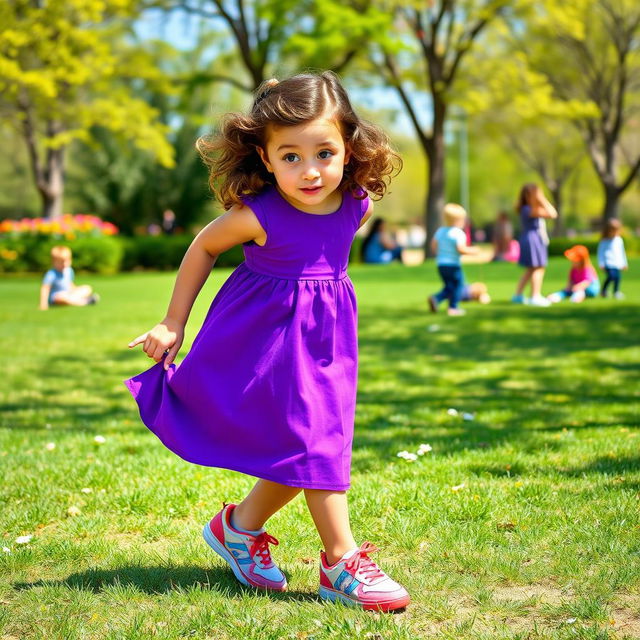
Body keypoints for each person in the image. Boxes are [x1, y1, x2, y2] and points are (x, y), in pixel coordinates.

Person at [125, 72, 410, 611]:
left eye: (324, 153)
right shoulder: (259, 213)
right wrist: (172, 323)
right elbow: (202, 249)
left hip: (328, 344)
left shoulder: (356, 203)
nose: (309, 171)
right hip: (267, 342)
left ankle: (238, 527)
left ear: (348, 148)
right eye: (290, 157)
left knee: (305, 448)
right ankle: (340, 562)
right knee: (315, 444)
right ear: (265, 154)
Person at [427, 203, 479, 316]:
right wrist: (473, 251)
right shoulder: (458, 233)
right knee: (459, 285)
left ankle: (436, 299)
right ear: (458, 220)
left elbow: (433, 245)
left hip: (441, 264)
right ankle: (452, 307)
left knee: (450, 286)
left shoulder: (440, 231)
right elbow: (461, 249)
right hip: (453, 265)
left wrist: (440, 254)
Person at [512, 183, 558, 306]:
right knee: (539, 267)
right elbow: (553, 213)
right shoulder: (528, 209)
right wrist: (542, 199)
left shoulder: (526, 209)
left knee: (531, 268)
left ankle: (518, 295)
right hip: (534, 239)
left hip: (531, 238)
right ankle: (535, 296)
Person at [39, 246, 99, 310]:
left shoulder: (69, 271)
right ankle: (85, 302)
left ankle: (76, 299)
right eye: (60, 262)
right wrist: (43, 303)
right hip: (57, 297)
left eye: (66, 261)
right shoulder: (51, 274)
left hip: (68, 294)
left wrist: (75, 290)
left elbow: (70, 284)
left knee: (87, 288)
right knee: (62, 298)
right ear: (54, 262)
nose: (64, 264)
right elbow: (45, 288)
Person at [598, 219, 628, 299]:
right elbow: (600, 253)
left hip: (617, 263)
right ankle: (603, 290)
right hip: (608, 262)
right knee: (611, 276)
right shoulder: (604, 241)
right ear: (608, 231)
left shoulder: (619, 240)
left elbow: (622, 252)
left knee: (617, 278)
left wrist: (624, 263)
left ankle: (616, 292)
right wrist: (601, 263)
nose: (614, 233)